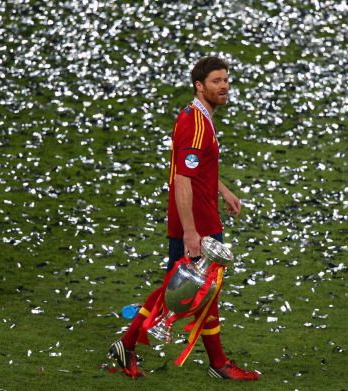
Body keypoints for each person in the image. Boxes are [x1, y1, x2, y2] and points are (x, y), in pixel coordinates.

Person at [108, 56, 260, 381]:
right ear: (199, 86)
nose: (224, 86)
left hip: (201, 219)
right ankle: (133, 346)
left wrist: (224, 190)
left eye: (226, 80)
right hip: (198, 225)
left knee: (196, 291)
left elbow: (197, 168)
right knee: (182, 291)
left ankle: (132, 347)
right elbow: (182, 180)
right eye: (216, 81)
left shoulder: (198, 118)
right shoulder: (195, 123)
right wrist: (192, 232)